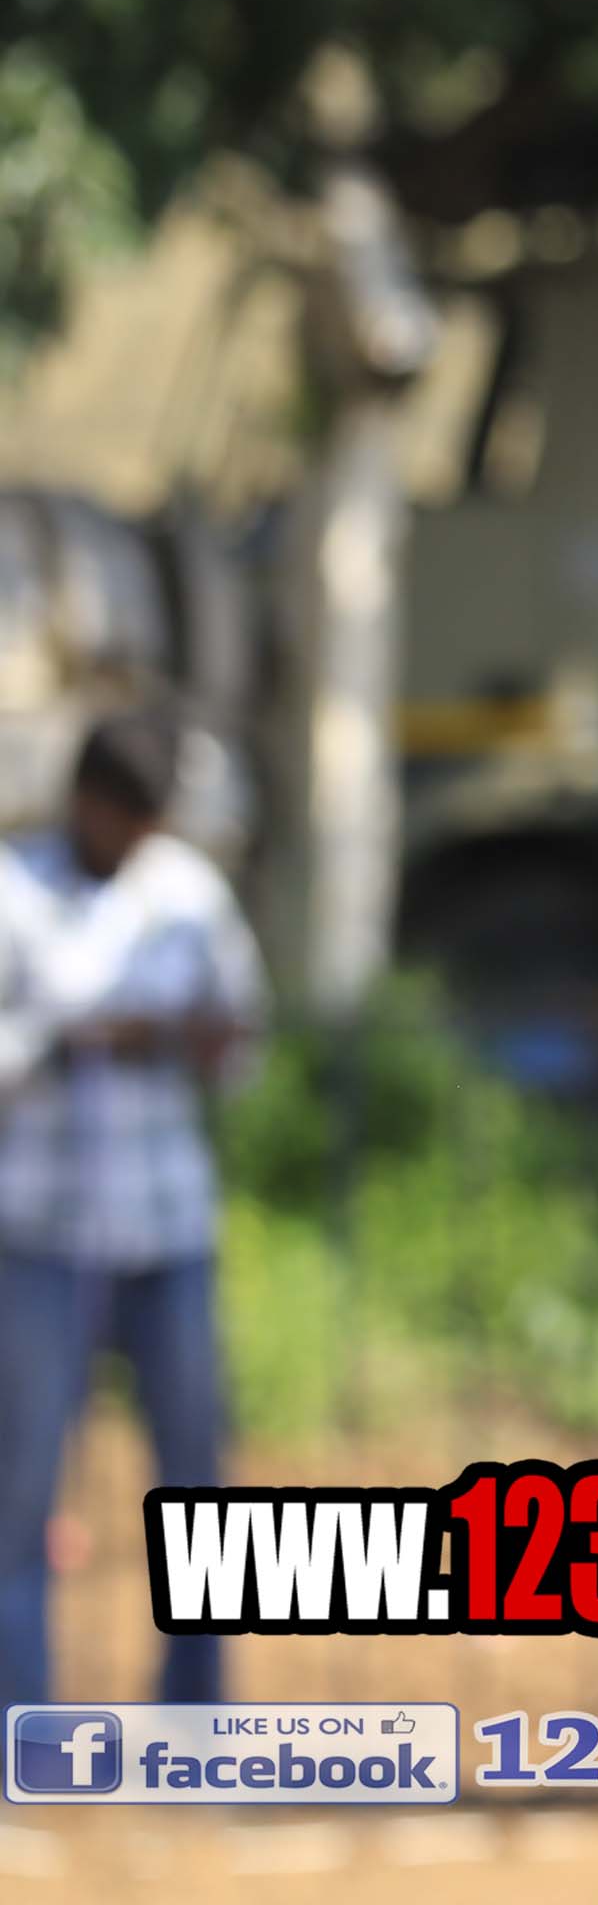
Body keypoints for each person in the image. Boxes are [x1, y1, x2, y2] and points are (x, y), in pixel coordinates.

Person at [0, 711, 262, 1708]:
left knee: (199, 1492)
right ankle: (21, 1726)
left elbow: (247, 1044)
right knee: (21, 1491)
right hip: (40, 1231)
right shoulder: (13, 890)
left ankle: (194, 1719)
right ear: (84, 802)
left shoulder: (187, 894)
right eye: (126, 817)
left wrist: (195, 1039)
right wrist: (69, 1040)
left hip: (167, 1231)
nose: (141, 838)